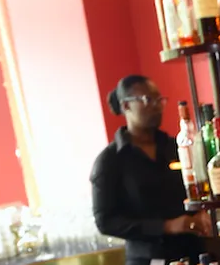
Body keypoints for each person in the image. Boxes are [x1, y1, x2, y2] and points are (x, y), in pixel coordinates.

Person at [90, 75, 209, 265]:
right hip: (148, 258)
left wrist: (202, 214)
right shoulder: (110, 160)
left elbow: (199, 188)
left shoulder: (176, 148)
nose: (157, 106)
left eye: (159, 100)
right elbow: (106, 221)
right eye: (147, 99)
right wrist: (166, 226)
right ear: (126, 106)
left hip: (193, 252)